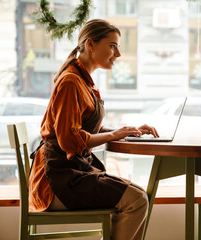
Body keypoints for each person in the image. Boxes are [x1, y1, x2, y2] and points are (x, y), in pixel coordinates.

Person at [28, 19, 159, 240]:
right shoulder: (71, 82)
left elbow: (83, 129)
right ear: (90, 44)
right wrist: (113, 135)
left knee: (138, 196)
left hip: (70, 173)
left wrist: (126, 131)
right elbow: (68, 141)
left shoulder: (83, 80)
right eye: (113, 45)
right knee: (136, 200)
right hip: (56, 183)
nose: (117, 54)